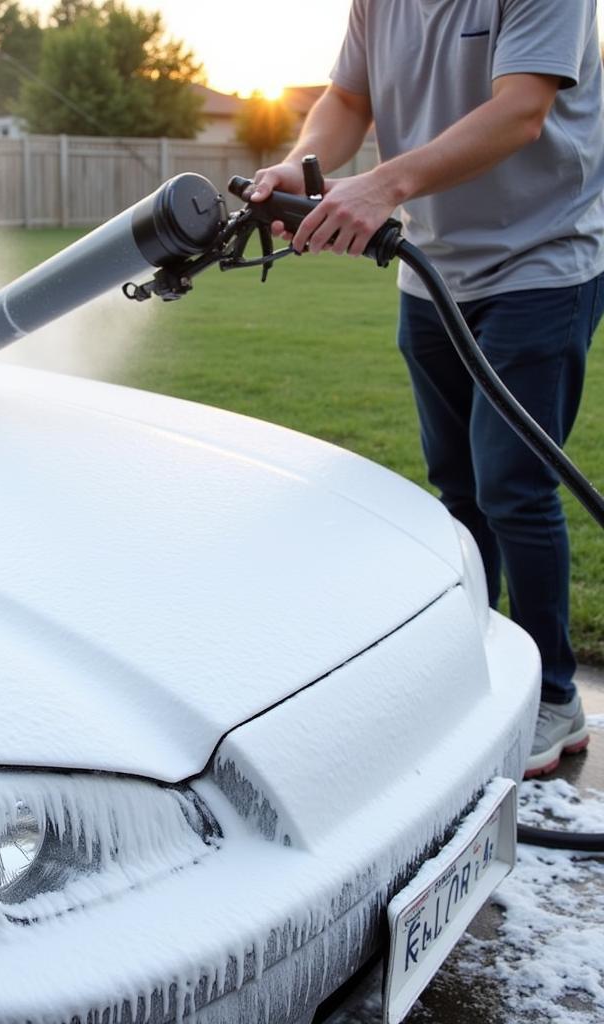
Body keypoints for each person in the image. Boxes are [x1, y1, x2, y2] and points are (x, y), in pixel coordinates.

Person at [248, 0, 604, 778]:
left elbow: (520, 112)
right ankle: (469, 668)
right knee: (458, 489)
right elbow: (347, 100)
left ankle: (553, 695)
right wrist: (300, 163)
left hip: (543, 262)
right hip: (435, 271)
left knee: (513, 484)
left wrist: (382, 184)